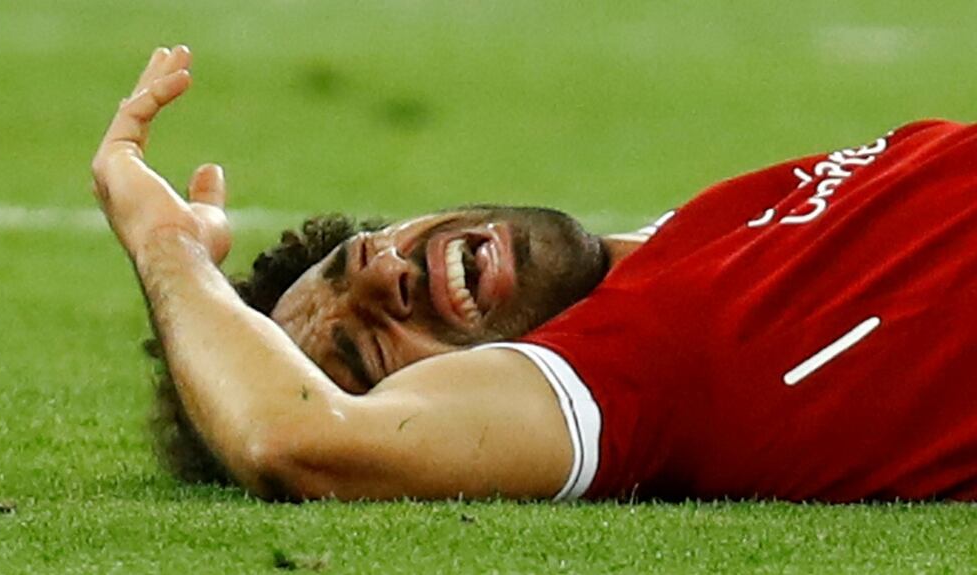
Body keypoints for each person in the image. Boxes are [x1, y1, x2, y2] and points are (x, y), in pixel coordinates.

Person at [94, 46, 977, 503]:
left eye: (359, 254)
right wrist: (167, 251)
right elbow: (295, 441)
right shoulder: (632, 371)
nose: (383, 278)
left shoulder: (688, 239)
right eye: (368, 352)